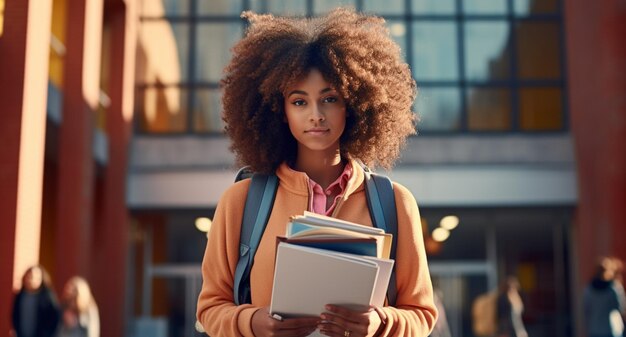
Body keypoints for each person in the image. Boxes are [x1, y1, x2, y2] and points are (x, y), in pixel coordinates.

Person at [196, 7, 437, 337]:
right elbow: (209, 308)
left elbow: (422, 314)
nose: (315, 115)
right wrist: (252, 322)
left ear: (350, 104)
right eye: (299, 102)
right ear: (279, 110)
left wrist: (382, 323)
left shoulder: (393, 202)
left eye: (329, 99)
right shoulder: (241, 201)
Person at [11, 265, 61, 337]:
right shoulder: (20, 295)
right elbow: (14, 315)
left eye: (35, 278)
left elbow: (54, 318)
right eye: (29, 277)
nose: (31, 280)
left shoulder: (47, 297)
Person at [583, 256, 626, 337]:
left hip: (595, 329)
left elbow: (586, 310)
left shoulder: (589, 289)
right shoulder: (614, 288)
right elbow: (621, 308)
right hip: (612, 329)